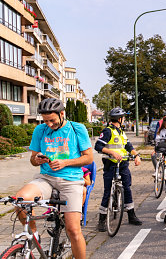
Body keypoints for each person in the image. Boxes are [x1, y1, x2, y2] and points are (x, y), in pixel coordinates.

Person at [17, 98, 92, 259]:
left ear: (62, 114)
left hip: (71, 180)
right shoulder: (40, 130)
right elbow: (32, 159)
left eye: (52, 120)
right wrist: (36, 159)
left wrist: (66, 162)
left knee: (73, 230)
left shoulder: (77, 128)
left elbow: (88, 159)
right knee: (20, 201)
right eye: (45, 121)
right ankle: (34, 235)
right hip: (46, 178)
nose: (49, 124)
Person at [95, 107, 142, 232]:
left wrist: (136, 155)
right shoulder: (108, 131)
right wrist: (111, 152)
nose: (125, 119)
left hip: (123, 164)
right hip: (110, 164)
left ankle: (131, 215)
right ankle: (102, 220)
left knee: (127, 187)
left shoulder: (121, 132)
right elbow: (98, 146)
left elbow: (128, 146)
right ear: (119, 119)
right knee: (107, 190)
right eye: (124, 117)